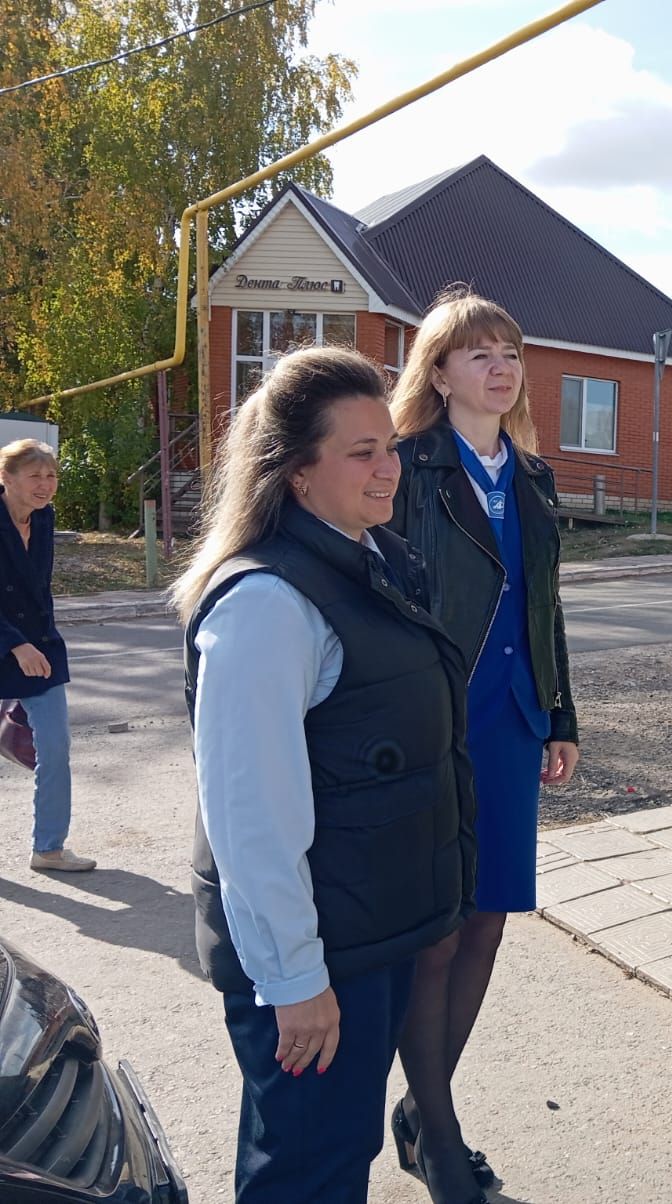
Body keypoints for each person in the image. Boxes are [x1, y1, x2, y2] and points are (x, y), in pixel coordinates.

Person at [172, 346, 476, 1203]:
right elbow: (250, 816)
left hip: (363, 937)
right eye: (361, 452)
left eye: (390, 447)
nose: (390, 470)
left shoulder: (370, 560)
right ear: (297, 475)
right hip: (315, 964)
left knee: (328, 1159)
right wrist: (295, 981)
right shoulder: (268, 604)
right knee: (306, 1174)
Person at [386, 289, 578, 1204]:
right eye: (478, 353)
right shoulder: (405, 466)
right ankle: (442, 1135)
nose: (500, 367)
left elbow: (546, 605)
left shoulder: (533, 475)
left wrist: (563, 715)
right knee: (435, 934)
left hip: (510, 723)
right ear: (438, 370)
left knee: (489, 920)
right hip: (435, 721)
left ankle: (426, 1118)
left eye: (509, 352)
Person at [0, 438, 92, 873]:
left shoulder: (44, 518)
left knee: (54, 747)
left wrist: (34, 644)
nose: (45, 484)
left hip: (39, 649)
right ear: (7, 478)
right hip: (10, 645)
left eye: (51, 475)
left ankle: (48, 848)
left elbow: (37, 591)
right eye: (35, 475)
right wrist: (15, 644)